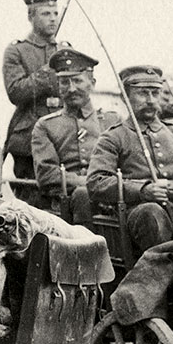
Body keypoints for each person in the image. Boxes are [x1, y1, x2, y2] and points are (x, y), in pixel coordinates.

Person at [88, 65, 173, 254]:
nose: (151, 100)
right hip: (139, 213)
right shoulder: (113, 137)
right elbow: (97, 182)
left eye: (155, 93)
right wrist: (142, 190)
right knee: (151, 213)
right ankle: (161, 269)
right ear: (125, 98)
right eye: (143, 93)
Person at [30, 48, 121, 225]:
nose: (71, 89)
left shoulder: (112, 121)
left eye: (78, 81)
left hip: (112, 202)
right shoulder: (45, 126)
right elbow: (47, 175)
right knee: (82, 195)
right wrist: (86, 183)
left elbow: (127, 167)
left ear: (92, 83)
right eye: (65, 82)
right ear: (58, 86)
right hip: (66, 204)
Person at [1, 0, 69, 186]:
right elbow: (15, 92)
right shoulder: (17, 50)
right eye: (46, 13)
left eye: (55, 13)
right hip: (28, 137)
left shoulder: (65, 51)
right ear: (31, 17)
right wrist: (45, 74)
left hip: (62, 136)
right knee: (30, 193)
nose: (53, 18)